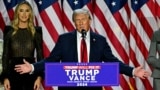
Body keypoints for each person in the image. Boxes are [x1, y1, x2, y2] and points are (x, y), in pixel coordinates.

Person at [15, 8, 150, 90]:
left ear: (89, 20)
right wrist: (32, 67)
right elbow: (52, 59)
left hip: (92, 87)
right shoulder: (64, 39)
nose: (80, 23)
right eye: (77, 20)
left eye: (83, 19)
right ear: (74, 23)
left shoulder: (100, 40)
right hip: (69, 87)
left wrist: (132, 71)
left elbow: (111, 61)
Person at [1, 1, 44, 90]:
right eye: (21, 10)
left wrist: (39, 77)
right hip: (12, 75)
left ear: (30, 14)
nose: (24, 14)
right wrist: (5, 77)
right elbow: (5, 56)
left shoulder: (36, 32)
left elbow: (40, 56)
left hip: (30, 74)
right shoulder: (9, 31)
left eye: (27, 11)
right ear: (17, 13)